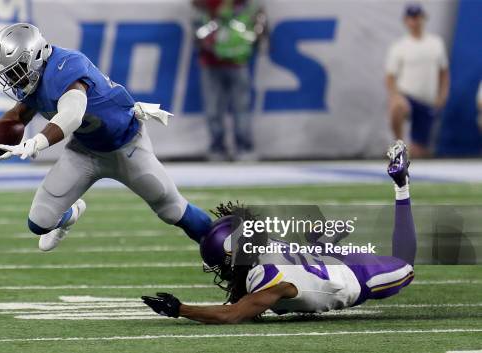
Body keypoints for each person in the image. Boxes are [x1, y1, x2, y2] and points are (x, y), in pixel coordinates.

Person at [0, 23, 212, 251]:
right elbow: (17, 116)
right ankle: (70, 214)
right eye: (10, 75)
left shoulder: (66, 66)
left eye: (17, 70)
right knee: (40, 221)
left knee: (172, 210)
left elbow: (72, 115)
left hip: (127, 145)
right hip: (85, 151)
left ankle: (234, 250)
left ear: (36, 56)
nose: (14, 80)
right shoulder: (34, 79)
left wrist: (37, 142)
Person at [142, 140, 416, 323]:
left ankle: (401, 184)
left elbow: (233, 315)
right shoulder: (261, 244)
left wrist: (180, 309)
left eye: (223, 264)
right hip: (318, 263)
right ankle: (320, 243)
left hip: (354, 276)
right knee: (304, 256)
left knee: (405, 266)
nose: (223, 272)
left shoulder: (269, 280)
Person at [192, 0, 267, 161]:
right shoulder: (208, 7)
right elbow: (196, 8)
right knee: (214, 109)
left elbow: (258, 23)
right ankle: (217, 147)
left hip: (238, 62)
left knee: (241, 108)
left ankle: (244, 146)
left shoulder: (245, 7)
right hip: (210, 62)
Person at [385, 3, 449, 158]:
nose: (415, 21)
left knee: (419, 153)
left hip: (427, 101)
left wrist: (442, 95)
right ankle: (399, 146)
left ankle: (415, 149)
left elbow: (444, 72)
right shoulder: (399, 46)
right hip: (407, 96)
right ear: (406, 21)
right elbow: (390, 77)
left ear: (423, 19)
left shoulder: (435, 43)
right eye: (412, 18)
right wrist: (395, 96)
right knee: (397, 107)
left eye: (418, 17)